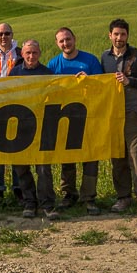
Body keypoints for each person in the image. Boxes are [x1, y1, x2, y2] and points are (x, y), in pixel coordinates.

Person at [100, 19, 137, 222]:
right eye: (116, 34)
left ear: (127, 36)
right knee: (118, 157)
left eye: (123, 34)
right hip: (112, 114)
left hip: (132, 112)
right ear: (110, 35)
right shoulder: (104, 57)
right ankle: (123, 197)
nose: (119, 38)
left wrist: (129, 81)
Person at [46, 27, 104, 214]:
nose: (66, 43)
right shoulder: (53, 65)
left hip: (89, 115)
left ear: (74, 39)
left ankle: (88, 197)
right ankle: (68, 194)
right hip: (64, 118)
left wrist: (90, 81)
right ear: (57, 43)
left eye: (68, 39)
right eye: (61, 41)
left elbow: (103, 86)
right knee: (67, 157)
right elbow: (48, 91)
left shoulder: (90, 61)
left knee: (90, 157)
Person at [9, 39, 59, 220]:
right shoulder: (14, 73)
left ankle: (47, 203)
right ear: (22, 54)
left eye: (34, 53)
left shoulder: (46, 73)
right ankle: (30, 202)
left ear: (40, 53)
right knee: (21, 167)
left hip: (42, 127)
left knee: (44, 168)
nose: (31, 56)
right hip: (20, 127)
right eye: (28, 53)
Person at [0, 22, 22, 207]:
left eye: (7, 33)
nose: (3, 37)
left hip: (18, 106)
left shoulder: (22, 54)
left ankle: (19, 189)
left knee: (17, 149)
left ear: (12, 35)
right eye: (0, 34)